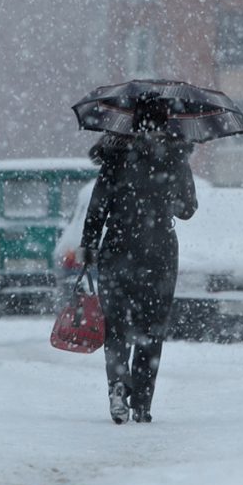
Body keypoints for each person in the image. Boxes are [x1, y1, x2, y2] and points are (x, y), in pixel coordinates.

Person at [79, 95, 198, 424]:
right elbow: (188, 209)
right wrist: (167, 198)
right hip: (158, 251)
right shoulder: (175, 156)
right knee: (151, 328)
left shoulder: (115, 156)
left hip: (117, 247)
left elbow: (97, 207)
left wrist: (88, 245)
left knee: (115, 326)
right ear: (166, 121)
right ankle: (142, 404)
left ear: (133, 120)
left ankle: (118, 385)